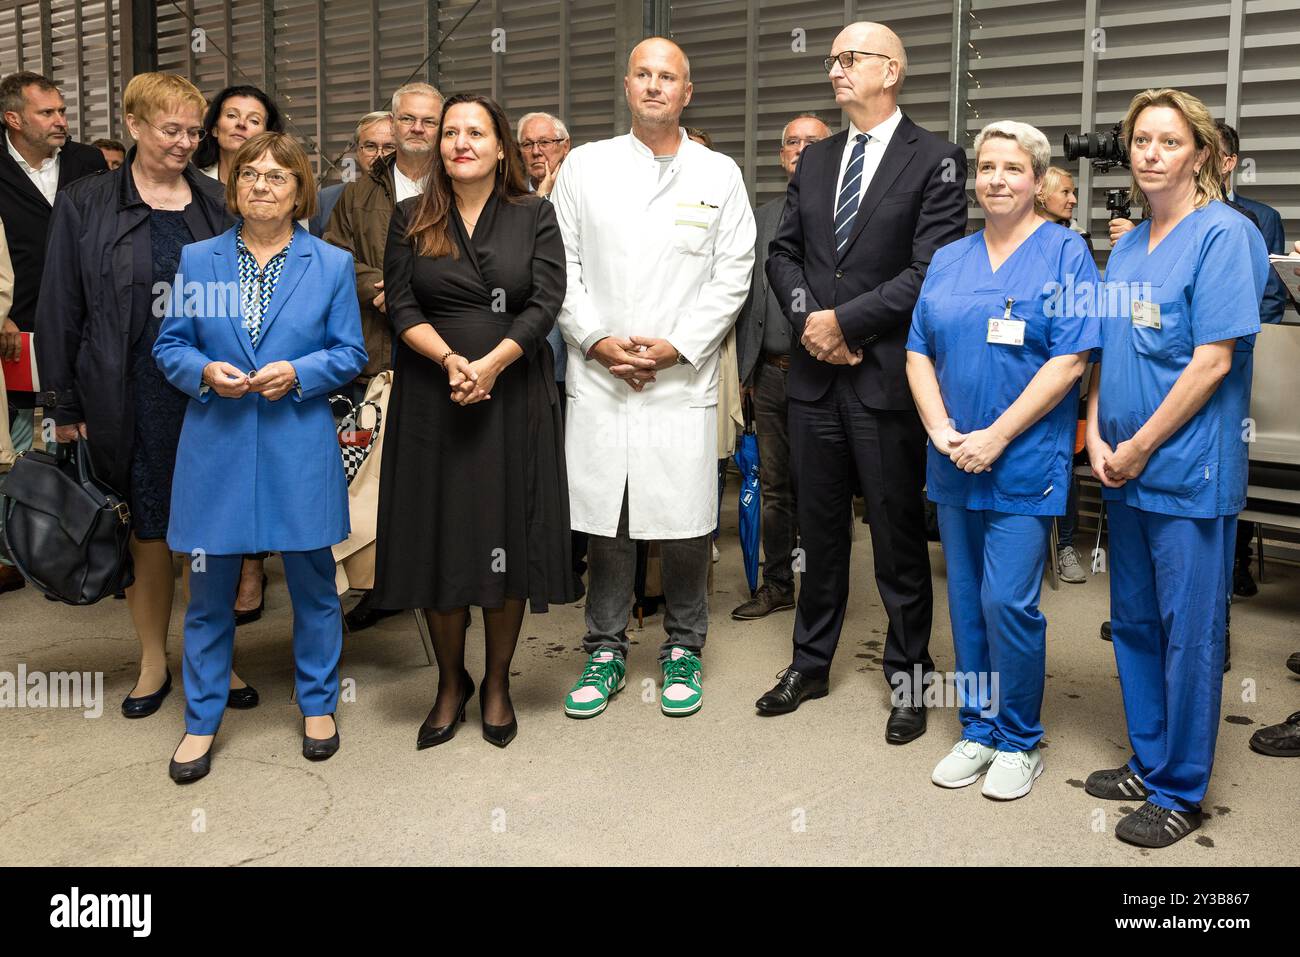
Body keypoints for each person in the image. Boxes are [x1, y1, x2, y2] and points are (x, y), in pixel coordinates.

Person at [757, 22, 967, 744]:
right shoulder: (815, 159)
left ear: (894, 71)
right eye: (833, 59)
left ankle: (910, 675)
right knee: (816, 537)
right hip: (814, 382)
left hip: (882, 380)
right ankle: (809, 663)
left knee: (898, 539)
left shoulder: (936, 158)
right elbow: (781, 255)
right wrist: (810, 319)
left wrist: (844, 323)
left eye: (852, 58)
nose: (837, 69)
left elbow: (929, 268)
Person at [35, 72, 257, 718]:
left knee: (210, 531)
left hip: (211, 390)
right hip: (127, 391)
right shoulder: (85, 203)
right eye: (172, 130)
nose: (187, 142)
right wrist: (63, 405)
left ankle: (216, 657)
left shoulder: (218, 201)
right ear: (133, 125)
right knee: (149, 531)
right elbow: (60, 308)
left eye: (194, 130)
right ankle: (153, 661)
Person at [1084, 88, 1267, 847]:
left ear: (1198, 152)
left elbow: (1211, 362)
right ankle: (1149, 756)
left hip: (1185, 468)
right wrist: (1096, 433)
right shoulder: (1127, 245)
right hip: (1121, 466)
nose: (1150, 153)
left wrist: (1138, 446)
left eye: (1166, 141)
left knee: (1188, 631)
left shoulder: (1225, 235)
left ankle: (1181, 788)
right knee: (1131, 620)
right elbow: (1103, 351)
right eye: (1139, 141)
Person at [551, 37, 755, 719]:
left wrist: (674, 346)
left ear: (686, 92)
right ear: (627, 86)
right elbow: (561, 268)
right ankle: (605, 646)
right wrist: (599, 340)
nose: (655, 85)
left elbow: (734, 272)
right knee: (608, 515)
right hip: (604, 372)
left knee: (686, 518)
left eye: (668, 76)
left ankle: (684, 645)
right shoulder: (586, 166)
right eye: (643, 74)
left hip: (677, 375)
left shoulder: (718, 174)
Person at [155, 131, 367, 782]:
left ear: (300, 189)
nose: (262, 186)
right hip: (216, 444)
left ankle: (318, 704)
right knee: (209, 593)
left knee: (312, 585)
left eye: (277, 177)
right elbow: (170, 346)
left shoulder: (329, 264)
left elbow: (350, 353)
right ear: (232, 187)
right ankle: (201, 719)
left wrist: (298, 371)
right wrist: (203, 369)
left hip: (295, 442)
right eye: (249, 175)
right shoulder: (198, 259)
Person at [372, 93, 574, 750]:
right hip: (435, 392)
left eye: (476, 132)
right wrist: (455, 360)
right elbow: (400, 306)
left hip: (510, 390)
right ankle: (450, 681)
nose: (461, 142)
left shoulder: (534, 214)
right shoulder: (410, 216)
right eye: (450, 132)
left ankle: (496, 682)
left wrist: (490, 365)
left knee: (503, 533)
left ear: (500, 146)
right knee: (441, 538)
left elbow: (546, 302)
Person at [907, 121, 1100, 799]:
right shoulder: (949, 258)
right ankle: (977, 728)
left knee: (1007, 601)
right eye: (986, 167)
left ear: (1038, 179)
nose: (995, 179)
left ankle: (1019, 737)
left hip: (1021, 460)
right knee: (964, 601)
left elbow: (1071, 358)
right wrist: (939, 428)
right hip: (955, 459)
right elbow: (918, 350)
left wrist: (996, 435)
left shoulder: (1067, 252)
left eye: (1012, 168)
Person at [325, 82, 443, 632]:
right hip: (380, 356)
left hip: (447, 353)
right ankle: (384, 583)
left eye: (429, 121)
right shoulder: (357, 194)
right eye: (409, 119)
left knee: (438, 478)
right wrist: (381, 286)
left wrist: (415, 291)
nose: (418, 129)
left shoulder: (458, 180)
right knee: (380, 479)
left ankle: (441, 580)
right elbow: (331, 259)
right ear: (392, 125)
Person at [0, 71, 107, 593]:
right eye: (48, 113)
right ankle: (21, 544)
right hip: (15, 326)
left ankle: (96, 535)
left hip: (84, 318)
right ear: (13, 119)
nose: (62, 120)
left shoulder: (87, 162)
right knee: (21, 437)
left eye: (62, 110)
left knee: (81, 425)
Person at [190, 84, 287, 622]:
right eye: (232, 115)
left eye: (255, 118)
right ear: (213, 125)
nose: (242, 125)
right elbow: (176, 337)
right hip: (215, 353)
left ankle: (253, 566)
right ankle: (214, 581)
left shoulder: (297, 221)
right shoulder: (193, 191)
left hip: (275, 377)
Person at [732, 111, 830, 620]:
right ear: (781, 155)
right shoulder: (759, 218)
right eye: (792, 142)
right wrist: (745, 373)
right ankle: (775, 585)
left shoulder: (844, 214)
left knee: (819, 488)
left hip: (823, 374)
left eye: (813, 141)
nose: (801, 149)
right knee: (773, 486)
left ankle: (819, 589)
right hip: (769, 375)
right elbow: (745, 299)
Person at [1034, 165, 1091, 585]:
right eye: (1066, 193)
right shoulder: (1014, 241)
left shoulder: (1076, 245)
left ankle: (1065, 543)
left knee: (1061, 462)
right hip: (1018, 370)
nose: (1073, 200)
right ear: (1041, 195)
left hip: (1062, 375)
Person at [310, 111, 395, 238]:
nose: (379, 156)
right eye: (370, 146)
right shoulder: (326, 200)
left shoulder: (415, 197)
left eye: (389, 147)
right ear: (357, 152)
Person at [191, 85, 283, 185]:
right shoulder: (193, 182)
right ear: (215, 129)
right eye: (232, 115)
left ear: (267, 136)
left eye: (254, 121)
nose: (241, 123)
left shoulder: (278, 186)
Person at [516, 111, 571, 199]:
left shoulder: (578, 190)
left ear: (565, 146)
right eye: (527, 144)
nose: (535, 152)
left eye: (544, 142)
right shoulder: (511, 198)